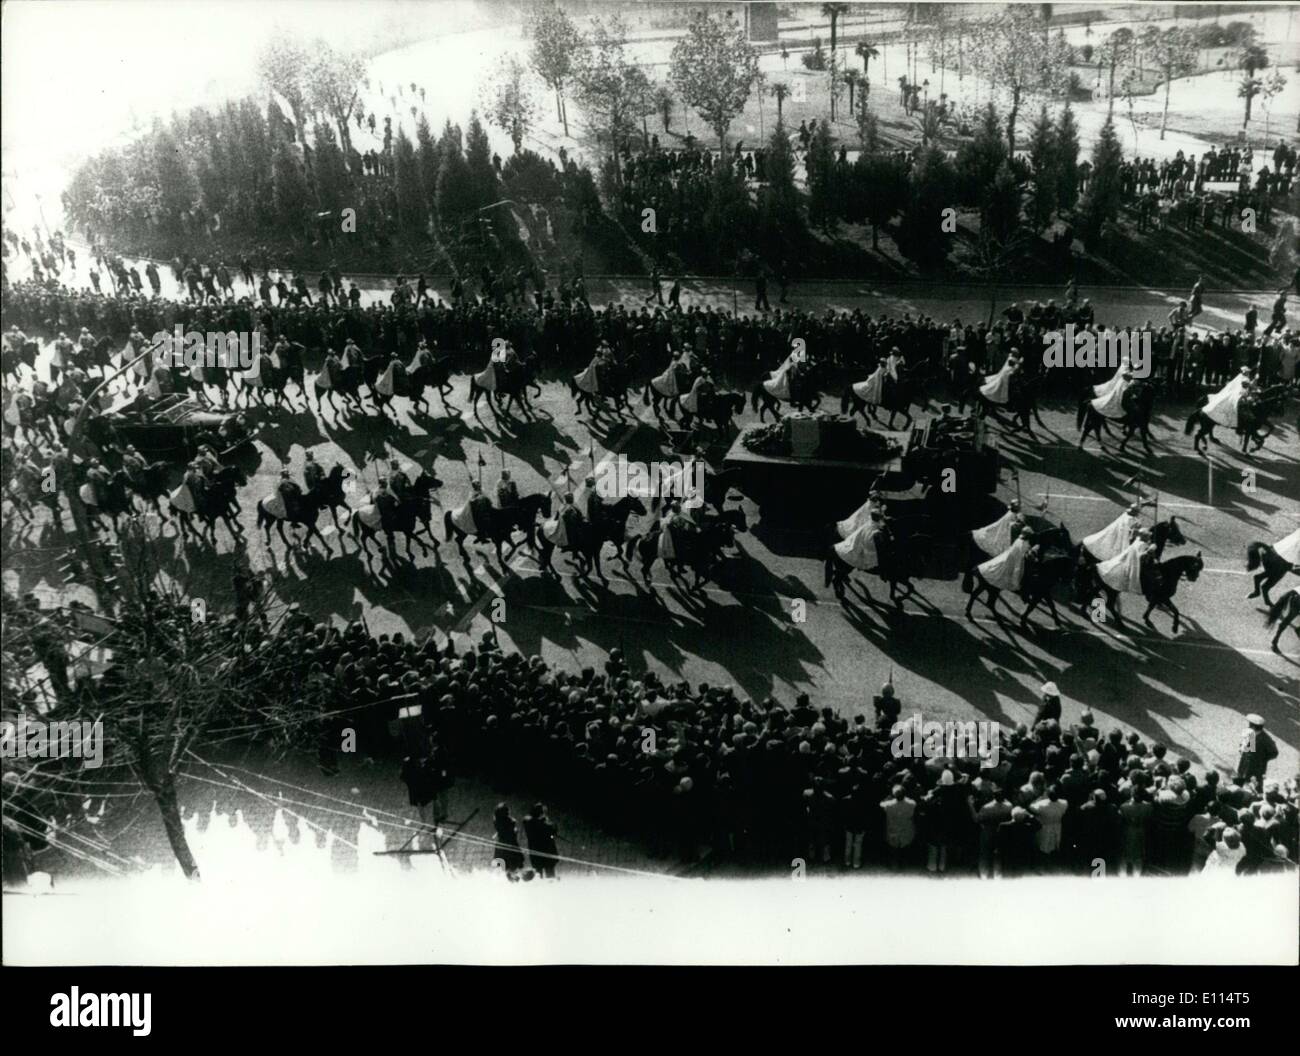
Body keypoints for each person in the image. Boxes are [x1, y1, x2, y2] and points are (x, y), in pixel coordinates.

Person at [1097, 526, 1155, 596]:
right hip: (1137, 566)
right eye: (1148, 536)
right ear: (1144, 537)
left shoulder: (1137, 541)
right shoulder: (1142, 545)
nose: (1149, 538)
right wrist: (1149, 551)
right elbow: (1140, 557)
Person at [1236, 714, 1278, 785]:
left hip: (1256, 769)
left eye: (1250, 725)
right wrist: (1243, 748)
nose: (1248, 726)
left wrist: (1262, 758)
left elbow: (1274, 752)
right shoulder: (1252, 734)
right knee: (1240, 782)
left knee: (1251, 785)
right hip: (1244, 765)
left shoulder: (1266, 740)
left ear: (1253, 727)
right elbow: (1250, 747)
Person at [523, 802, 559, 878]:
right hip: (542, 850)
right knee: (542, 872)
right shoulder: (531, 821)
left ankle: (548, 884)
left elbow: (553, 830)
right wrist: (545, 821)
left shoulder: (532, 821)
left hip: (541, 851)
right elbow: (551, 829)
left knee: (544, 871)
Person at [492, 803, 525, 877]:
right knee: (514, 866)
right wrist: (515, 831)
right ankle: (515, 880)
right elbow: (511, 832)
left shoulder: (496, 821)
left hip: (500, 845)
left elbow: (502, 831)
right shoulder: (510, 821)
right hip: (511, 845)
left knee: (502, 866)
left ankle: (506, 880)